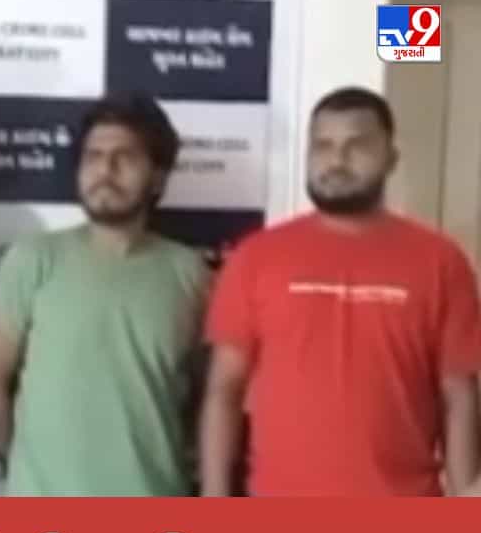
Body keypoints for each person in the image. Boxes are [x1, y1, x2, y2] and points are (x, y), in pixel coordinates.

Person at [201, 87, 481, 496]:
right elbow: (225, 389)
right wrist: (213, 498)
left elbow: (458, 395)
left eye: (357, 145)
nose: (336, 160)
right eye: (323, 146)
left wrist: (467, 507)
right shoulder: (256, 257)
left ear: (391, 157)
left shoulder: (441, 261)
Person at [0, 93, 210, 496]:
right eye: (93, 156)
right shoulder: (34, 258)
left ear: (157, 178)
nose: (105, 170)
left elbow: (210, 392)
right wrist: (21, 471)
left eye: (124, 158)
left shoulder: (190, 273)